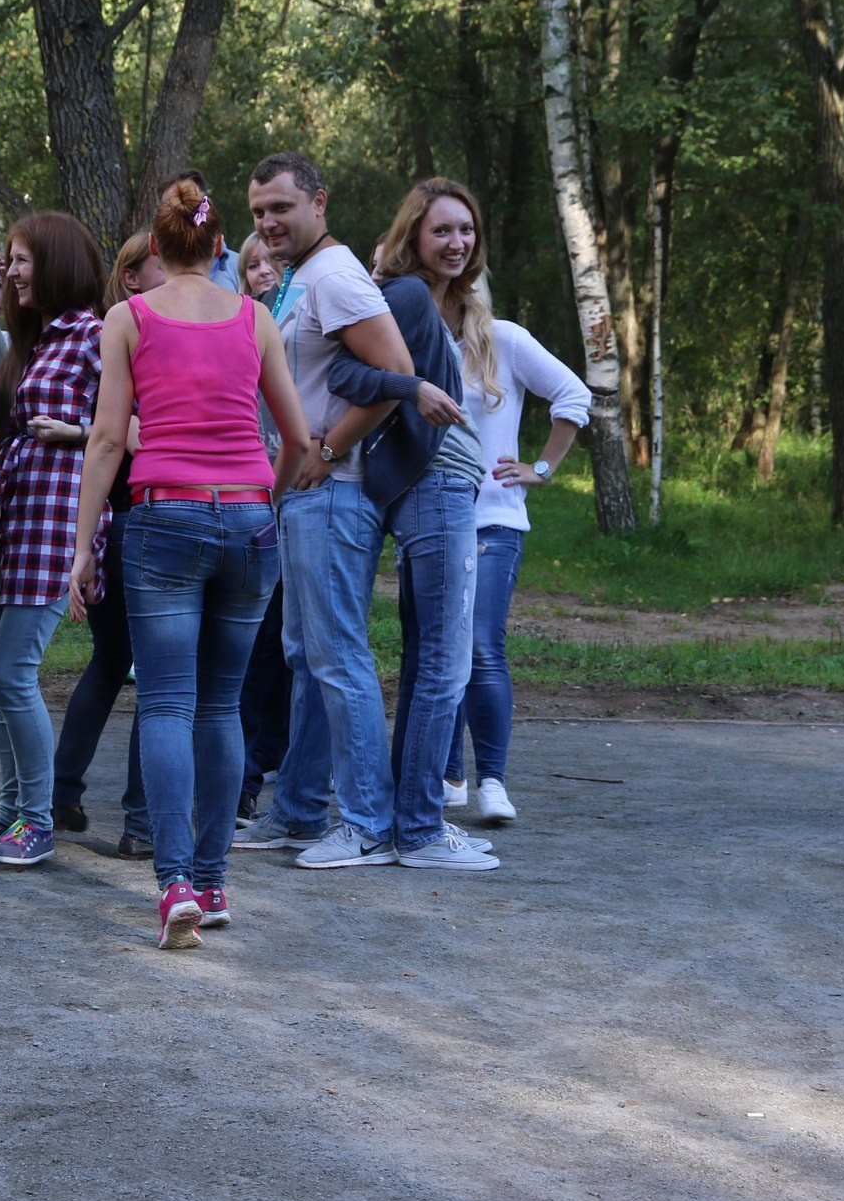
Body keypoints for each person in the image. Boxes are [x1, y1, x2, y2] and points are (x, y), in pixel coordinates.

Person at [71, 177, 303, 948]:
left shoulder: (128, 317)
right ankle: (214, 878)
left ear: (158, 249)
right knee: (222, 703)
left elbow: (107, 440)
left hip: (163, 515)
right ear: (216, 245)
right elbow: (296, 438)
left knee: (167, 702)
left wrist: (82, 547)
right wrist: (263, 495)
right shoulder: (256, 317)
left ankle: (173, 885)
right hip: (247, 518)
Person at [233, 151, 416, 870]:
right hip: (308, 493)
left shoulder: (336, 275)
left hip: (335, 491)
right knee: (306, 657)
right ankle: (300, 811)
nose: (268, 222)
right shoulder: (305, 277)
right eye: (257, 213)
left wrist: (331, 448)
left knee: (336, 656)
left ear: (318, 202)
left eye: (280, 207)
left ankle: (368, 822)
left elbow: (398, 373)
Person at [325, 180, 499, 871]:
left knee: (434, 658)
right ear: (413, 236)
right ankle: (421, 830)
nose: (456, 243)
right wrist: (411, 388)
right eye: (442, 231)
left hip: (445, 485)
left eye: (466, 231)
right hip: (434, 486)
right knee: (443, 664)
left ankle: (412, 821)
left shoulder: (453, 304)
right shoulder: (403, 294)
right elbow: (343, 369)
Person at [0, 213, 108, 866]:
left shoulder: (95, 336)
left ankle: (36, 821)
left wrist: (76, 432)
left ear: (59, 262)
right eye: (7, 260)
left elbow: (139, 427)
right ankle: (10, 814)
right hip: (8, 525)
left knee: (13, 672)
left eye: (21, 260)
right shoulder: (31, 339)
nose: (10, 272)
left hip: (54, 529)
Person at [427, 271, 589, 827]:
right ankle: (449, 777)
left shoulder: (506, 340)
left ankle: (492, 781)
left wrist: (539, 469)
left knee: (479, 647)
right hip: (430, 520)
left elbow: (574, 394)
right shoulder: (409, 338)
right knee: (438, 650)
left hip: (494, 520)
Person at [48, 234, 164, 857]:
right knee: (157, 673)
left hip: (127, 521)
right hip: (133, 522)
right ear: (132, 275)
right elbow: (127, 432)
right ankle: (141, 823)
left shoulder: (125, 332)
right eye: (163, 263)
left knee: (116, 658)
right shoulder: (129, 337)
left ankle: (63, 789)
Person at [234, 232, 292, 819]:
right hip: (254, 502)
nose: (264, 271)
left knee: (290, 645)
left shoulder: (302, 317)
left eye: (272, 262)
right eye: (253, 265)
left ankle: (280, 757)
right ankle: (246, 775)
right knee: (257, 644)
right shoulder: (240, 325)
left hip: (299, 491)